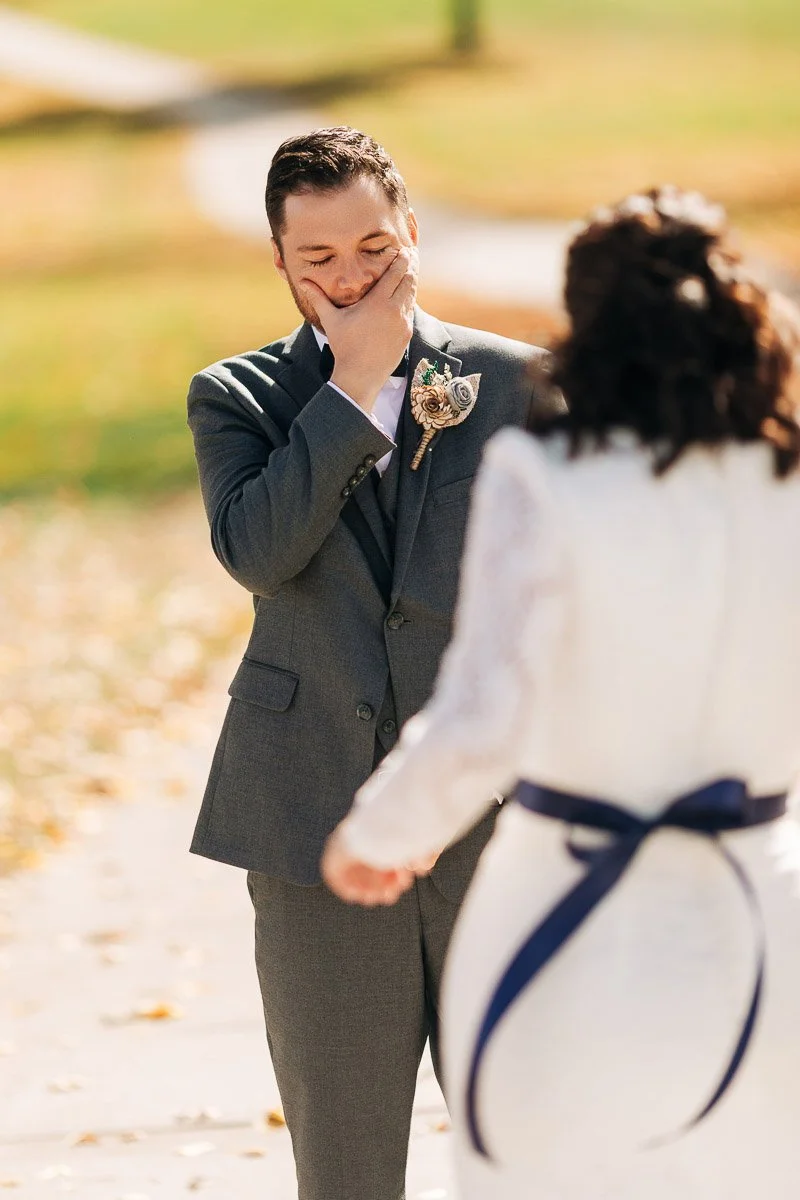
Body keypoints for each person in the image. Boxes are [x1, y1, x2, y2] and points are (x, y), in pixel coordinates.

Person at [323, 186, 800, 1200]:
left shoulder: (544, 475)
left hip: (566, 911)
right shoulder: (786, 482)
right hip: (763, 912)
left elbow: (488, 708)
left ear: (584, 330)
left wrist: (382, 828)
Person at [186, 125, 557, 1200]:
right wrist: (349, 392)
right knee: (344, 1167)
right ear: (279, 262)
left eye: (373, 251)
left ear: (410, 236)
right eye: (319, 262)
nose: (349, 279)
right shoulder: (238, 398)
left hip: (498, 824)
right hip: (312, 819)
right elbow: (258, 555)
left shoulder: (515, 383)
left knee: (531, 1154)